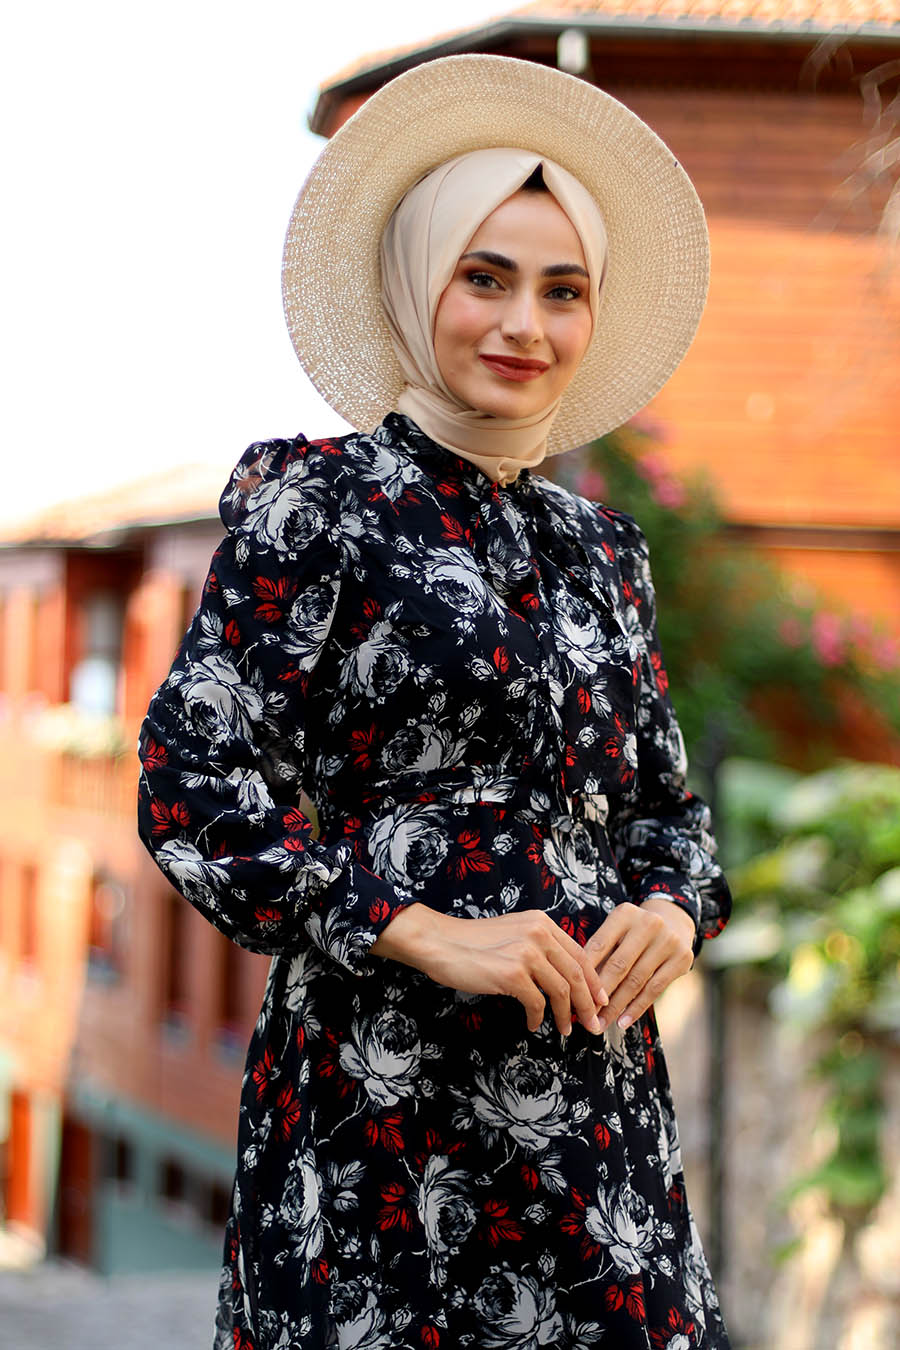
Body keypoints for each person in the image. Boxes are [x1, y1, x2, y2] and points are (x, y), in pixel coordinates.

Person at [137, 53, 732, 1350]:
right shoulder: (316, 505)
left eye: (562, 290)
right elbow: (193, 789)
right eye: (486, 276)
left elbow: (667, 817)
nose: (526, 321)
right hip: (378, 1121)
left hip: (595, 1141)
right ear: (421, 287)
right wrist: (414, 926)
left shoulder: (602, 549)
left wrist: (673, 909)